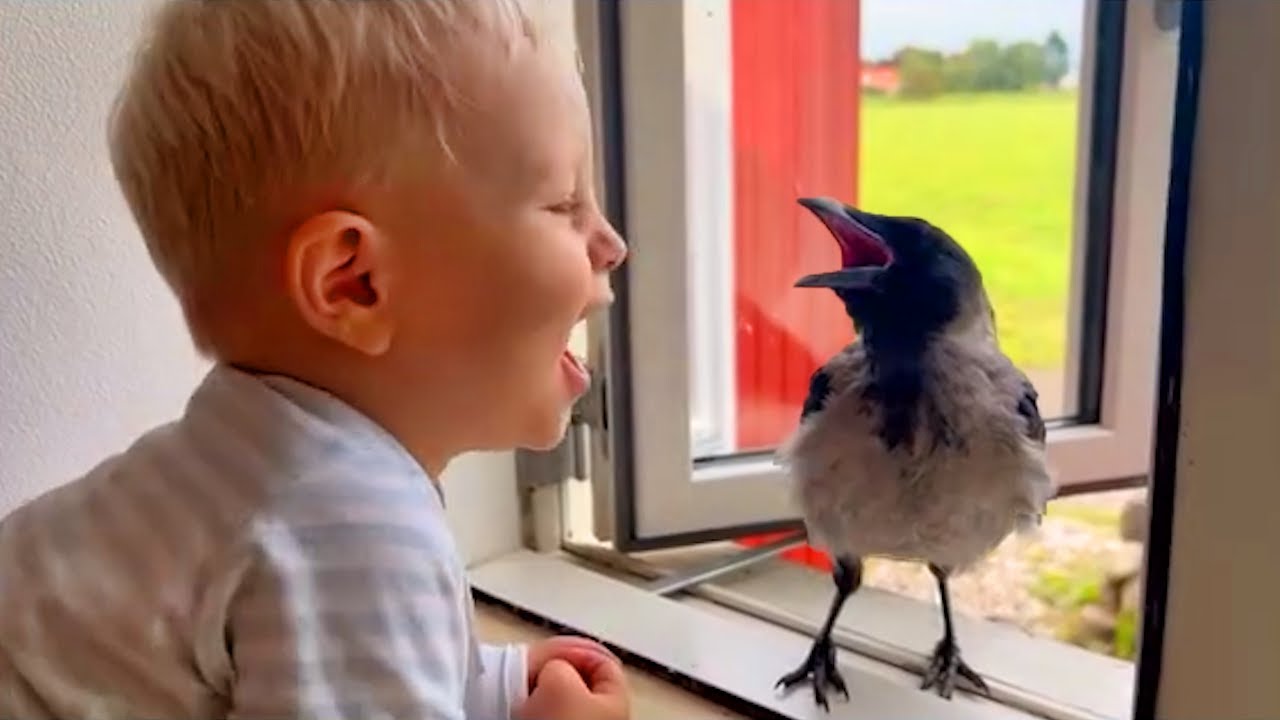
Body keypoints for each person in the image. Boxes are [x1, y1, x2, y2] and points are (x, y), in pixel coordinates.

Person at [0, 1, 630, 718]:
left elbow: (340, 671)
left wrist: (490, 683)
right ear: (354, 284)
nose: (610, 244)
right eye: (564, 203)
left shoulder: (259, 463)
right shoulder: (347, 530)